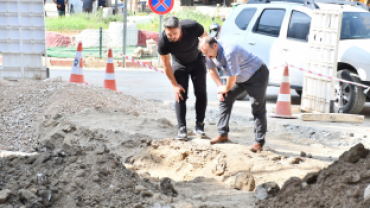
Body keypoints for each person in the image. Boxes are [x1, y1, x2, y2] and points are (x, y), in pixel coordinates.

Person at [198, 37, 269, 152]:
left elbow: (232, 78)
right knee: (225, 98)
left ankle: (259, 142)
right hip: (240, 77)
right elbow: (212, 70)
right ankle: (222, 134)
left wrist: (225, 88)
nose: (206, 56)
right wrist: (220, 88)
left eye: (208, 52)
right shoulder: (209, 53)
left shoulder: (230, 51)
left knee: (257, 107)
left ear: (215, 45)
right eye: (204, 53)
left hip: (256, 74)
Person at [158, 16, 208, 140]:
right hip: (179, 64)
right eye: (169, 34)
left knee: (201, 93)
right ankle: (182, 128)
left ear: (180, 28)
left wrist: (206, 54)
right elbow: (166, 65)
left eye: (175, 33)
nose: (172, 37)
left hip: (197, 61)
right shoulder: (163, 40)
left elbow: (206, 38)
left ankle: (200, 125)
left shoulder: (192, 26)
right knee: (180, 94)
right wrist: (174, 85)